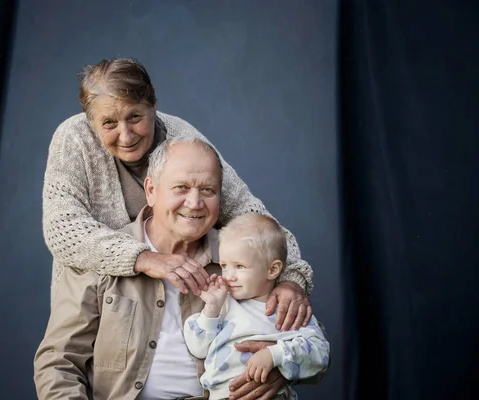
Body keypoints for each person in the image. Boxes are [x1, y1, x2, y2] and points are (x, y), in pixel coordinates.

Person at [42, 57, 315, 335]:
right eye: (109, 123)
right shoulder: (73, 139)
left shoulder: (182, 138)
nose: (126, 135)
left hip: (184, 311)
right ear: (91, 122)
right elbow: (62, 229)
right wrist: (146, 257)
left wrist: (291, 278)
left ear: (154, 107)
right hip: (96, 310)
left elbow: (252, 217)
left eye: (135, 117)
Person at [35, 137, 324, 399]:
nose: (195, 203)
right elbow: (59, 362)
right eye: (181, 188)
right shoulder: (101, 255)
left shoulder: (237, 262)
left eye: (207, 190)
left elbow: (311, 345)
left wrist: (282, 366)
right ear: (151, 190)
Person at [184, 213, 330, 400]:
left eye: (239, 266)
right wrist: (211, 309)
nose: (229, 276)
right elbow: (198, 348)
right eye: (224, 265)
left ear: (272, 270)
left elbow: (320, 356)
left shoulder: (287, 310)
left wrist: (274, 355)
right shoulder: (222, 304)